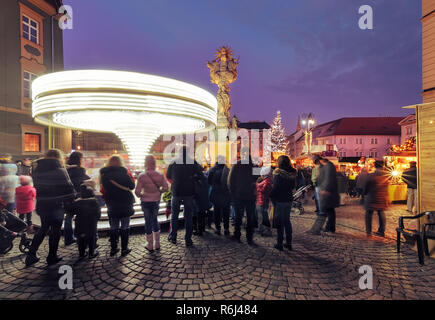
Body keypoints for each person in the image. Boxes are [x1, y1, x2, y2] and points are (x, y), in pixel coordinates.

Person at [25, 149, 76, 267]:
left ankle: (31, 255)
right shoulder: (61, 171)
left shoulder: (37, 170)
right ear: (59, 158)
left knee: (43, 228)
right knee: (55, 231)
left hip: (43, 204)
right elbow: (69, 188)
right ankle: (52, 256)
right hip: (56, 205)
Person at [166, 146, 203, 246]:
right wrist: (193, 178)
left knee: (174, 215)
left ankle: (173, 237)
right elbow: (200, 175)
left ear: (179, 152)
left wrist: (175, 181)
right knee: (188, 216)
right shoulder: (192, 162)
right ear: (188, 152)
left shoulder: (173, 161)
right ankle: (188, 239)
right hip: (189, 192)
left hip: (176, 191)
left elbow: (168, 176)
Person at [100, 155, 135, 256]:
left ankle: (113, 248)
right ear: (120, 163)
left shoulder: (105, 175)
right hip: (125, 202)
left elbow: (104, 188)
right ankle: (124, 248)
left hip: (112, 202)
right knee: (125, 225)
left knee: (114, 226)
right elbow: (132, 186)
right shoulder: (124, 173)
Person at [135, 155, 168, 252]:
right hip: (156, 200)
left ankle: (149, 245)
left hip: (145, 201)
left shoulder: (142, 176)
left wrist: (141, 195)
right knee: (154, 219)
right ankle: (157, 243)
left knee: (147, 221)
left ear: (146, 163)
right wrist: (159, 192)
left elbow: (137, 192)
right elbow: (166, 188)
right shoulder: (160, 174)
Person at [228, 147, 258, 245]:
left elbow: (230, 181)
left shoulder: (236, 165)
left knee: (238, 216)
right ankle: (250, 238)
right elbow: (258, 180)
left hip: (239, 195)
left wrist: (233, 193)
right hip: (250, 196)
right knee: (250, 217)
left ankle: (237, 235)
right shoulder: (255, 166)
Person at [270, 156, 296, 251]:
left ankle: (279, 243)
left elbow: (276, 187)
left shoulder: (278, 172)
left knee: (280, 222)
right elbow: (293, 186)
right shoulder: (293, 173)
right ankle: (289, 243)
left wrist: (270, 195)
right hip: (288, 199)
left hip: (279, 199)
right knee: (287, 221)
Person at [64, 151, 91, 246]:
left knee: (69, 217)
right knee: (81, 218)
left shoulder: (65, 170)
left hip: (68, 196)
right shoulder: (80, 170)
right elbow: (84, 180)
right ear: (79, 159)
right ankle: (81, 238)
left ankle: (68, 238)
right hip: (79, 196)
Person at [308, 157, 339, 235]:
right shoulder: (326, 166)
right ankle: (329, 228)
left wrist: (325, 189)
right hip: (326, 191)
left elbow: (328, 179)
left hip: (327, 192)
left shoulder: (328, 167)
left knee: (324, 212)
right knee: (329, 211)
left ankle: (318, 229)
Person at [73, 184, 101, 259]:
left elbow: (73, 211)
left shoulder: (77, 202)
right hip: (91, 223)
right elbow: (98, 214)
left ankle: (82, 253)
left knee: (80, 238)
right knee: (91, 237)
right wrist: (97, 219)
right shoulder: (94, 202)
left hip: (79, 223)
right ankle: (91, 253)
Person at [363, 161, 388, 237]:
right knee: (381, 213)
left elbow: (366, 186)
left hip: (372, 197)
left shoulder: (371, 175)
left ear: (375, 166)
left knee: (369, 214)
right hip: (382, 197)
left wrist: (364, 193)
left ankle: (368, 232)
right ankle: (381, 231)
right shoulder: (386, 176)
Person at [208, 156, 231, 236]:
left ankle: (218, 228)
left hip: (216, 193)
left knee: (216, 211)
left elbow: (209, 182)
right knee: (226, 212)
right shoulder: (227, 170)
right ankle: (226, 229)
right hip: (225, 193)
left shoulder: (212, 169)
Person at [255, 166, 273, 237]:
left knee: (262, 216)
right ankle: (263, 229)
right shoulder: (267, 180)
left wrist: (256, 185)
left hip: (261, 201)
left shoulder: (266, 181)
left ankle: (263, 229)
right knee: (263, 216)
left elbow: (262, 190)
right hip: (263, 201)